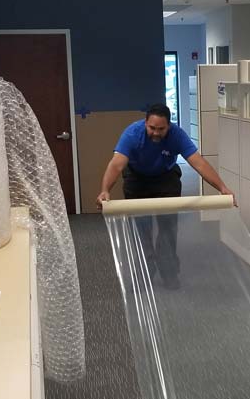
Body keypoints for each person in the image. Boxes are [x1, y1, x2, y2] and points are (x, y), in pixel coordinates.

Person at [96, 104, 233, 289]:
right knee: (141, 230)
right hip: (137, 178)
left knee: (168, 229)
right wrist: (105, 189)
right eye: (152, 128)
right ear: (145, 123)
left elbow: (199, 164)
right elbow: (117, 165)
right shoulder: (132, 134)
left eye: (161, 129)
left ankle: (169, 273)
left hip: (166, 177)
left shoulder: (177, 135)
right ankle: (143, 274)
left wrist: (222, 188)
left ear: (169, 125)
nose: (156, 133)